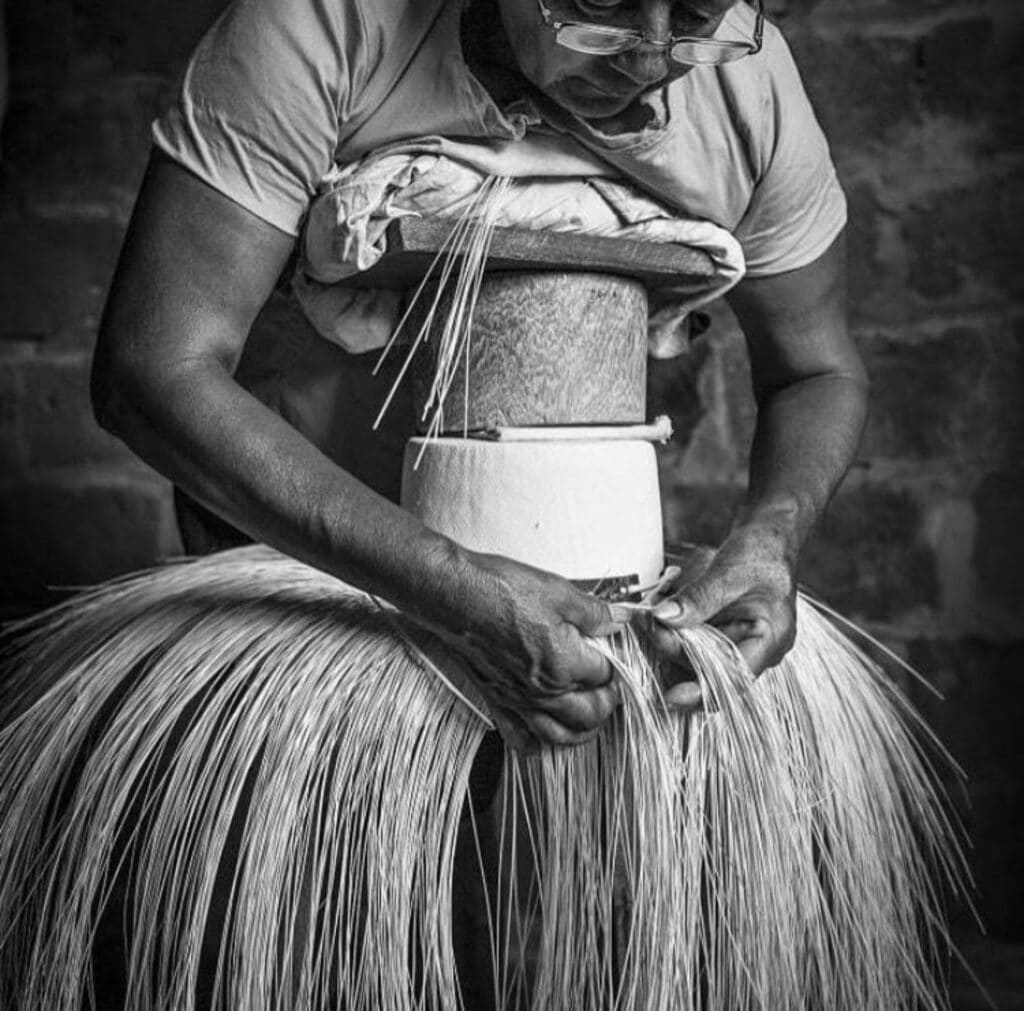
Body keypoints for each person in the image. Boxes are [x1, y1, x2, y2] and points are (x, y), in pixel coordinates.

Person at [90, 0, 867, 752]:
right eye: (601, 3)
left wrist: (771, 537)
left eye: (696, 16)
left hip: (576, 630)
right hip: (304, 592)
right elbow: (157, 366)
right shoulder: (325, 22)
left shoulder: (751, 87)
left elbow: (817, 369)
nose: (651, 57)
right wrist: (450, 594)